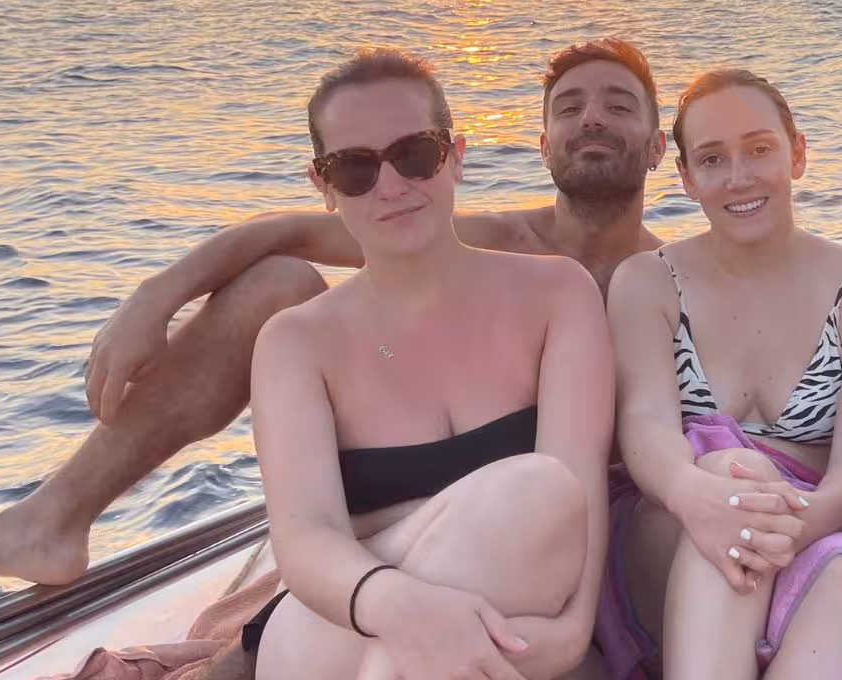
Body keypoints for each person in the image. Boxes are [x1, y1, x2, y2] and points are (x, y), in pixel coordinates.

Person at [0, 37, 666, 590]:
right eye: (570, 107)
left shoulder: (677, 280)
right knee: (277, 285)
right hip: (406, 505)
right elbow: (285, 232)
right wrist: (153, 296)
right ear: (540, 142)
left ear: (661, 147)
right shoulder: (469, 236)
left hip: (553, 526)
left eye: (617, 104)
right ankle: (54, 517)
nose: (592, 118)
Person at [229, 47, 611, 680]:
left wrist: (573, 635)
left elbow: (578, 498)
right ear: (322, 186)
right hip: (338, 622)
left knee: (539, 492)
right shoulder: (295, 343)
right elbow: (306, 537)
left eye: (414, 154)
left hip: (519, 625)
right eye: (354, 168)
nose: (390, 184)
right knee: (528, 490)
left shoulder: (558, 295)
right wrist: (405, 605)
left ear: (455, 155)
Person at [602, 69, 842, 680]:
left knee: (839, 572)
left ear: (797, 154)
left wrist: (793, 525)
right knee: (734, 472)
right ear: (687, 178)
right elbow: (645, 425)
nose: (739, 177)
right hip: (673, 517)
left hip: (820, 518)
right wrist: (696, 496)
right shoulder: (646, 282)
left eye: (759, 149)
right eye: (712, 158)